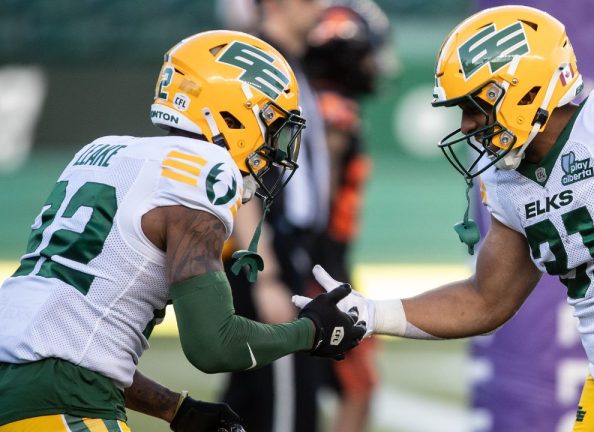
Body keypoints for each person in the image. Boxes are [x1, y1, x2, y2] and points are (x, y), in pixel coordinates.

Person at [295, 5, 594, 431]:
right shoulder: (509, 182)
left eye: (475, 106)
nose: (467, 125)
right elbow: (485, 300)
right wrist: (373, 312)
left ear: (521, 90)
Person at [0, 30, 364, 432]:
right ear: (233, 113)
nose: (275, 145)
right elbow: (214, 345)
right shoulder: (202, 169)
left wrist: (175, 409)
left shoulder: (103, 152)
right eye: (272, 123)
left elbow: (72, 345)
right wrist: (311, 331)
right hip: (62, 399)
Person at [218, 1, 335, 431]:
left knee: (248, 398)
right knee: (286, 402)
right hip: (266, 247)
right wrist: (263, 268)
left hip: (286, 244)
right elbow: (237, 164)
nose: (321, 6)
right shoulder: (259, 64)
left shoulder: (289, 62)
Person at [302, 1, 395, 430]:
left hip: (307, 262)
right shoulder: (333, 114)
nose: (371, 64)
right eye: (363, 53)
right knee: (357, 387)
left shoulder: (308, 101)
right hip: (319, 267)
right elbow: (314, 207)